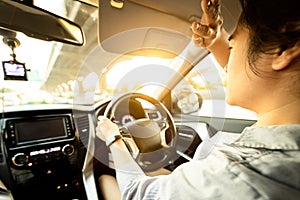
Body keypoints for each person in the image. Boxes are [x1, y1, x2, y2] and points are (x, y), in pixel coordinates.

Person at [96, 0, 300, 199]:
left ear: (283, 51)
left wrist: (114, 138)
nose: (228, 63)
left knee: (104, 179)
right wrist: (217, 42)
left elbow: (134, 192)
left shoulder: (235, 175)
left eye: (233, 47)